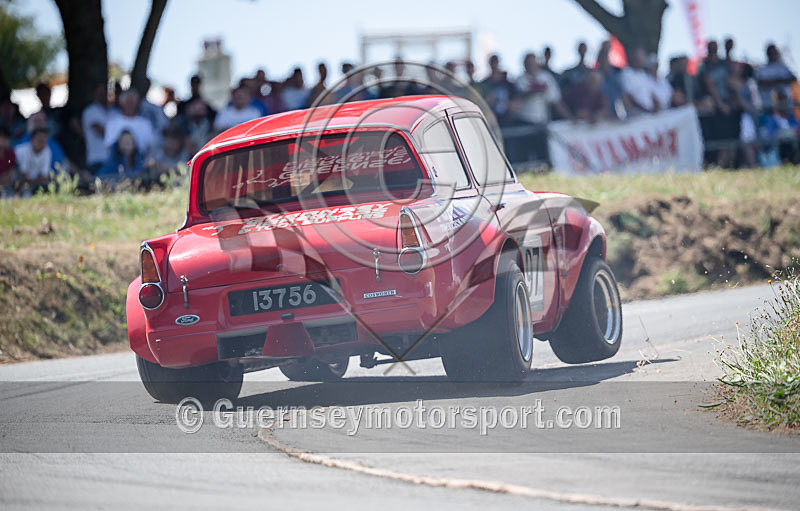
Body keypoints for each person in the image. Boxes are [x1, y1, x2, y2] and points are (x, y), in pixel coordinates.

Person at [15, 127, 64, 194]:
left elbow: (44, 177)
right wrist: (36, 180)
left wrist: (33, 181)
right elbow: (22, 176)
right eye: (39, 140)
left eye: (44, 141)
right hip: (16, 184)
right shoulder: (20, 151)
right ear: (32, 140)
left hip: (33, 186)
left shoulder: (47, 151)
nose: (41, 143)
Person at [479, 54, 517, 126]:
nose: (494, 64)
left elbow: (516, 102)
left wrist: (508, 105)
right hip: (490, 121)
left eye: (495, 62)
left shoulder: (508, 84)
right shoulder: (484, 84)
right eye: (492, 62)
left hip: (506, 120)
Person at [756, 44, 796, 110]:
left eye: (774, 52)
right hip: (769, 107)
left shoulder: (783, 67)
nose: (773, 54)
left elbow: (793, 78)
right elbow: (760, 83)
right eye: (771, 52)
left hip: (786, 107)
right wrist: (780, 81)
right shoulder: (762, 70)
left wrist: (774, 81)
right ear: (767, 54)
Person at [82, 82, 110, 175]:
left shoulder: (110, 111)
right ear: (94, 93)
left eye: (103, 92)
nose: (101, 95)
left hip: (111, 159)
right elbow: (101, 132)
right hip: (96, 160)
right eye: (99, 92)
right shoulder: (90, 111)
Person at [620, 47, 658, 116]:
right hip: (638, 117)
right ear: (633, 58)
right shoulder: (626, 74)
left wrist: (656, 108)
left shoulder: (643, 74)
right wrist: (646, 110)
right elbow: (629, 97)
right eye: (641, 56)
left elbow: (651, 94)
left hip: (650, 114)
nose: (643, 59)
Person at [0, 125, 16, 197]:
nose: (4, 140)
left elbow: (10, 178)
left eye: (6, 138)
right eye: (2, 137)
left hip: (6, 189)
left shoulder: (11, 154)